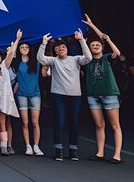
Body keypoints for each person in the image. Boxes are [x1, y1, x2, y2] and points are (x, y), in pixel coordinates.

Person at [37, 28, 92, 161]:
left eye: (63, 47)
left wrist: (81, 40)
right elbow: (41, 59)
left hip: (75, 96)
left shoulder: (76, 59)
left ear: (67, 49)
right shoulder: (54, 61)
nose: (60, 49)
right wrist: (43, 43)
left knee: (73, 123)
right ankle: (59, 150)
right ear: (55, 51)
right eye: (58, 48)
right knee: (59, 122)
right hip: (58, 95)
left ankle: (73, 150)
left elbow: (88, 58)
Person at [82, 15, 123, 164]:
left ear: (102, 47)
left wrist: (93, 26)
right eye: (92, 45)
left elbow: (116, 52)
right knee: (99, 125)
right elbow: (83, 46)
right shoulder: (87, 60)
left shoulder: (107, 58)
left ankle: (117, 154)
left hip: (109, 93)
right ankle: (100, 152)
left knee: (114, 125)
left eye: (97, 45)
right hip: (93, 94)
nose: (95, 47)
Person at [12, 40, 44, 156]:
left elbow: (42, 56)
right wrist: (16, 41)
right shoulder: (17, 62)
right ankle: (28, 146)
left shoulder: (35, 61)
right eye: (22, 47)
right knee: (25, 122)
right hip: (21, 94)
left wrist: (44, 43)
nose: (24, 48)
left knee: (35, 122)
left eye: (26, 47)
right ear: (19, 50)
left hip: (35, 94)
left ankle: (36, 145)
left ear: (30, 49)